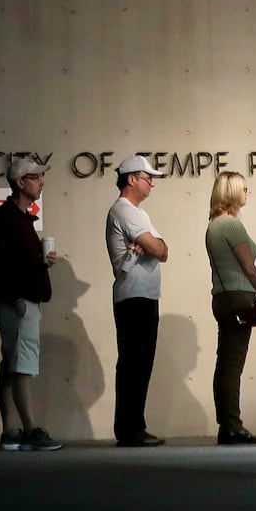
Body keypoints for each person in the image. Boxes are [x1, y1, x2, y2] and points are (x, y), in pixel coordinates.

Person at [0, 155, 63, 452]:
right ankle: (29, 428)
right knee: (21, 367)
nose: (42, 182)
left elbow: (12, 262)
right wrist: (16, 298)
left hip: (19, 301)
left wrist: (40, 263)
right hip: (18, 303)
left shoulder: (16, 218)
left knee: (11, 367)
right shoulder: (8, 218)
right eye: (37, 176)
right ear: (20, 182)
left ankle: (10, 430)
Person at [105, 153, 168, 447]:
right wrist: (153, 245)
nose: (152, 184)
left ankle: (134, 425)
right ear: (132, 179)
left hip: (143, 296)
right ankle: (130, 428)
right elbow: (156, 247)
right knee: (134, 362)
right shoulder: (125, 211)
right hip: (134, 297)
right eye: (148, 178)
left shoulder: (138, 213)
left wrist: (154, 245)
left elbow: (163, 250)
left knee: (140, 362)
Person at [204, 170, 256, 445]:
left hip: (221, 297)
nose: (247, 193)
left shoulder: (212, 225)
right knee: (233, 365)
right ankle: (232, 426)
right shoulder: (232, 225)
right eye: (244, 188)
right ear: (232, 192)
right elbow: (249, 267)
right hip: (239, 296)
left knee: (225, 363)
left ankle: (227, 424)